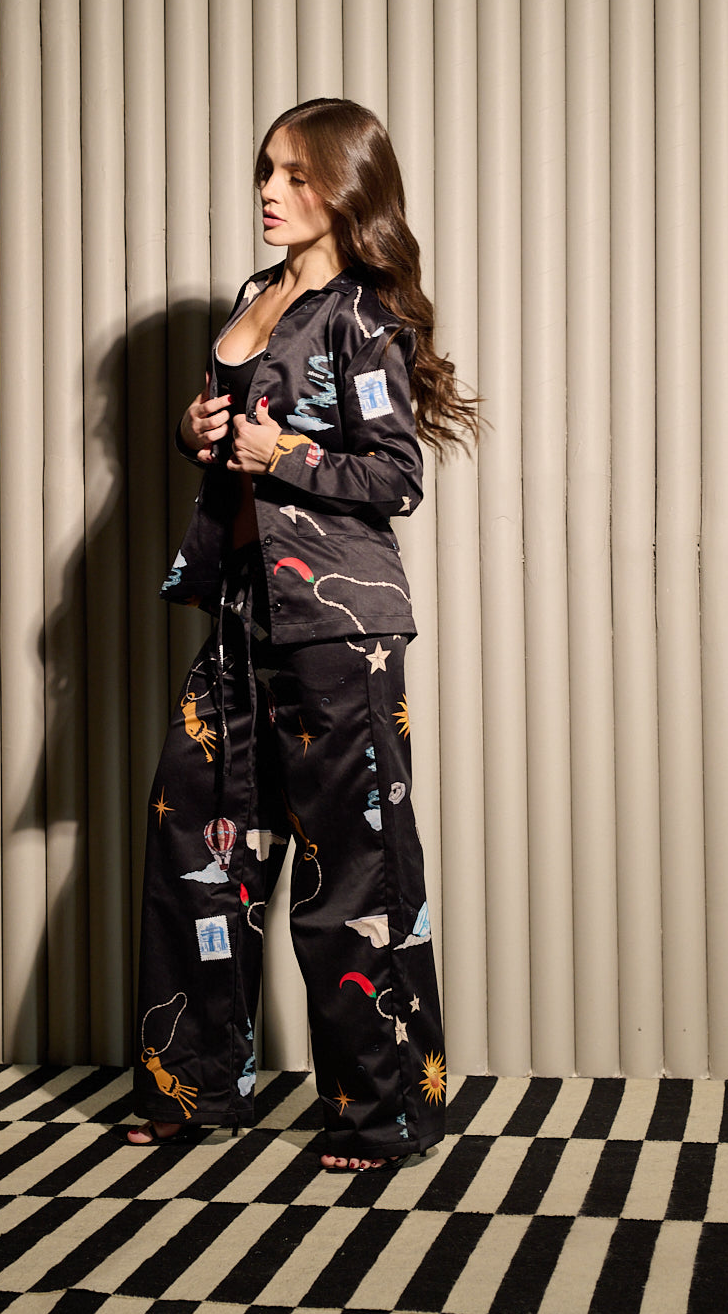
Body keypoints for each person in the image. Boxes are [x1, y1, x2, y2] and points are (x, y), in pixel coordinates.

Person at [127, 99, 477, 1171]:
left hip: (338, 629)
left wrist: (281, 454)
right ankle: (193, 1087)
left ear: (347, 188)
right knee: (197, 848)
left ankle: (385, 1115)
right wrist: (197, 428)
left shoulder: (364, 314)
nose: (271, 192)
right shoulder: (256, 295)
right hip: (240, 609)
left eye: (296, 175)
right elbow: (235, 430)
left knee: (352, 873)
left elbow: (394, 476)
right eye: (267, 170)